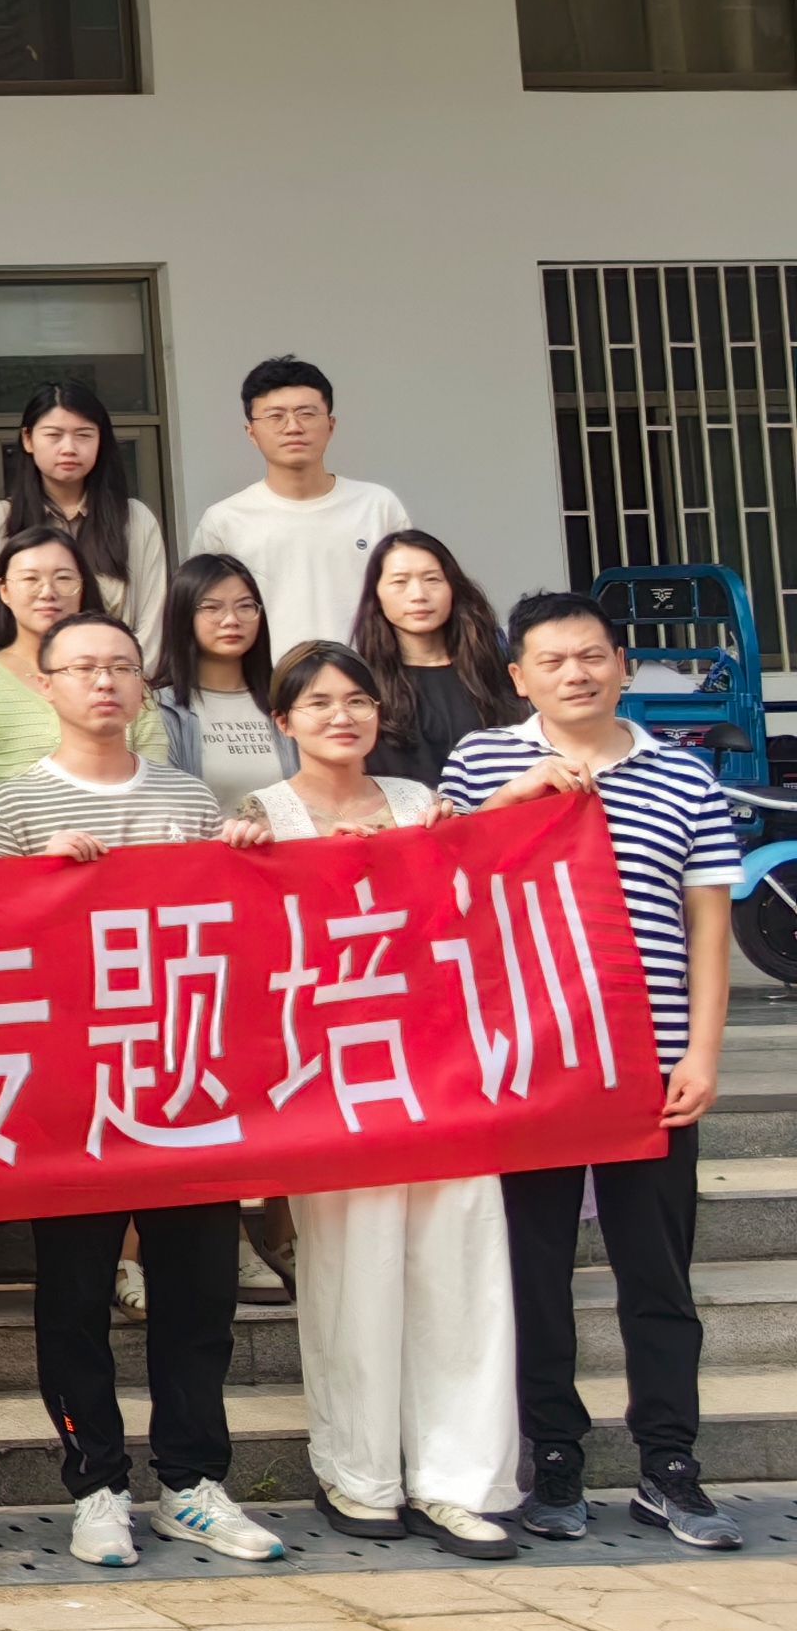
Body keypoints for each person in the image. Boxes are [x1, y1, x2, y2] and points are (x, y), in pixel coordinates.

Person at [0, 609, 285, 1567]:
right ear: (46, 685)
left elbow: (234, 939)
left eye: (121, 667)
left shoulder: (190, 800)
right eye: (82, 668)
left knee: (198, 1297)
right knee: (73, 1299)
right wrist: (39, 886)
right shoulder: (10, 810)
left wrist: (250, 861)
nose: (103, 682)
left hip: (186, 1084)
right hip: (73, 1095)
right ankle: (97, 1485)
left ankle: (193, 1482)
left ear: (145, 687)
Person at [442, 590, 742, 1549]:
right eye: (552, 661)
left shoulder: (685, 775)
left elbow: (707, 926)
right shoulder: (480, 760)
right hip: (531, 1064)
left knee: (658, 1276)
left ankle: (670, 1466)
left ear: (622, 665)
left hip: (648, 1065)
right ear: (519, 677)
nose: (576, 674)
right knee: (534, 1273)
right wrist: (513, 801)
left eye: (592, 656)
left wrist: (701, 1053)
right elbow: (442, 885)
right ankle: (555, 1459)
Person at [240, 641, 519, 1556]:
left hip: (440, 1071)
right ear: (283, 720)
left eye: (356, 700)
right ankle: (358, 1473)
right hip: (335, 1080)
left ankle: (459, 1479)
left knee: (460, 1270)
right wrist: (251, 863)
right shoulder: (261, 816)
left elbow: (473, 917)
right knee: (352, 1278)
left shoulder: (421, 805)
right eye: (318, 703)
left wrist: (448, 846)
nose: (342, 716)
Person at [190, 355, 412, 652]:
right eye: (275, 416)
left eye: (306, 414)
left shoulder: (377, 506)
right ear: (251, 433)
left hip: (366, 676)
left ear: (331, 426)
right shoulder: (224, 521)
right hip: (269, 679)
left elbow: (409, 600)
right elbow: (204, 617)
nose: (293, 427)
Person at [0, 382, 172, 662]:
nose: (69, 448)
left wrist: (125, 678)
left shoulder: (134, 520)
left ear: (101, 440)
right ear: (28, 439)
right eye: (54, 435)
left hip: (118, 680)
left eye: (84, 435)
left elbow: (152, 624)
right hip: (28, 680)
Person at [0, 527, 167, 790]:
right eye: (30, 579)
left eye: (63, 578)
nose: (47, 592)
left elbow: (156, 781)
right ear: (4, 590)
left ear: (82, 586)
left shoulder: (122, 674)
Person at [350, 531, 525, 784]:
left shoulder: (495, 669)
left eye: (432, 579)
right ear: (376, 595)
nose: (418, 595)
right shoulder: (358, 684)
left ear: (453, 587)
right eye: (400, 582)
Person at [150, 552, 285, 808]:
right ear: (183, 614)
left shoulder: (288, 700)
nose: (232, 620)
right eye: (212, 608)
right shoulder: (158, 709)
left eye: (245, 606)